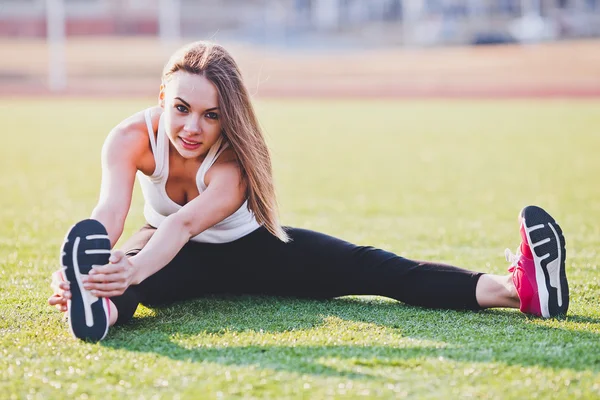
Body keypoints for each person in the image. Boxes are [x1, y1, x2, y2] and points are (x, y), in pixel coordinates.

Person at [48, 41, 569, 342]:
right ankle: (99, 309)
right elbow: (108, 214)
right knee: (123, 276)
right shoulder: (129, 138)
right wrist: (95, 271)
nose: (192, 128)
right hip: (164, 246)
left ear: (228, 117)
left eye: (212, 115)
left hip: (254, 251)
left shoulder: (233, 160)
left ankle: (520, 291)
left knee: (375, 267)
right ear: (162, 96)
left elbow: (186, 223)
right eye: (181, 108)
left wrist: (133, 266)